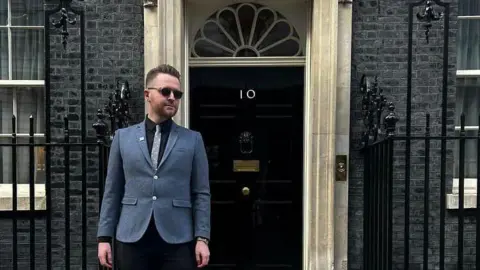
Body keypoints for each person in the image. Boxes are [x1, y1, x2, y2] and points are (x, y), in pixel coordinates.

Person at [97, 64, 211, 269]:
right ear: (147, 94)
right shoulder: (123, 138)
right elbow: (112, 190)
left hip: (178, 237)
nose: (172, 97)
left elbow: (201, 192)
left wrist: (202, 238)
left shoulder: (193, 140)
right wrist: (104, 237)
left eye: (177, 93)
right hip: (132, 236)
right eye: (166, 91)